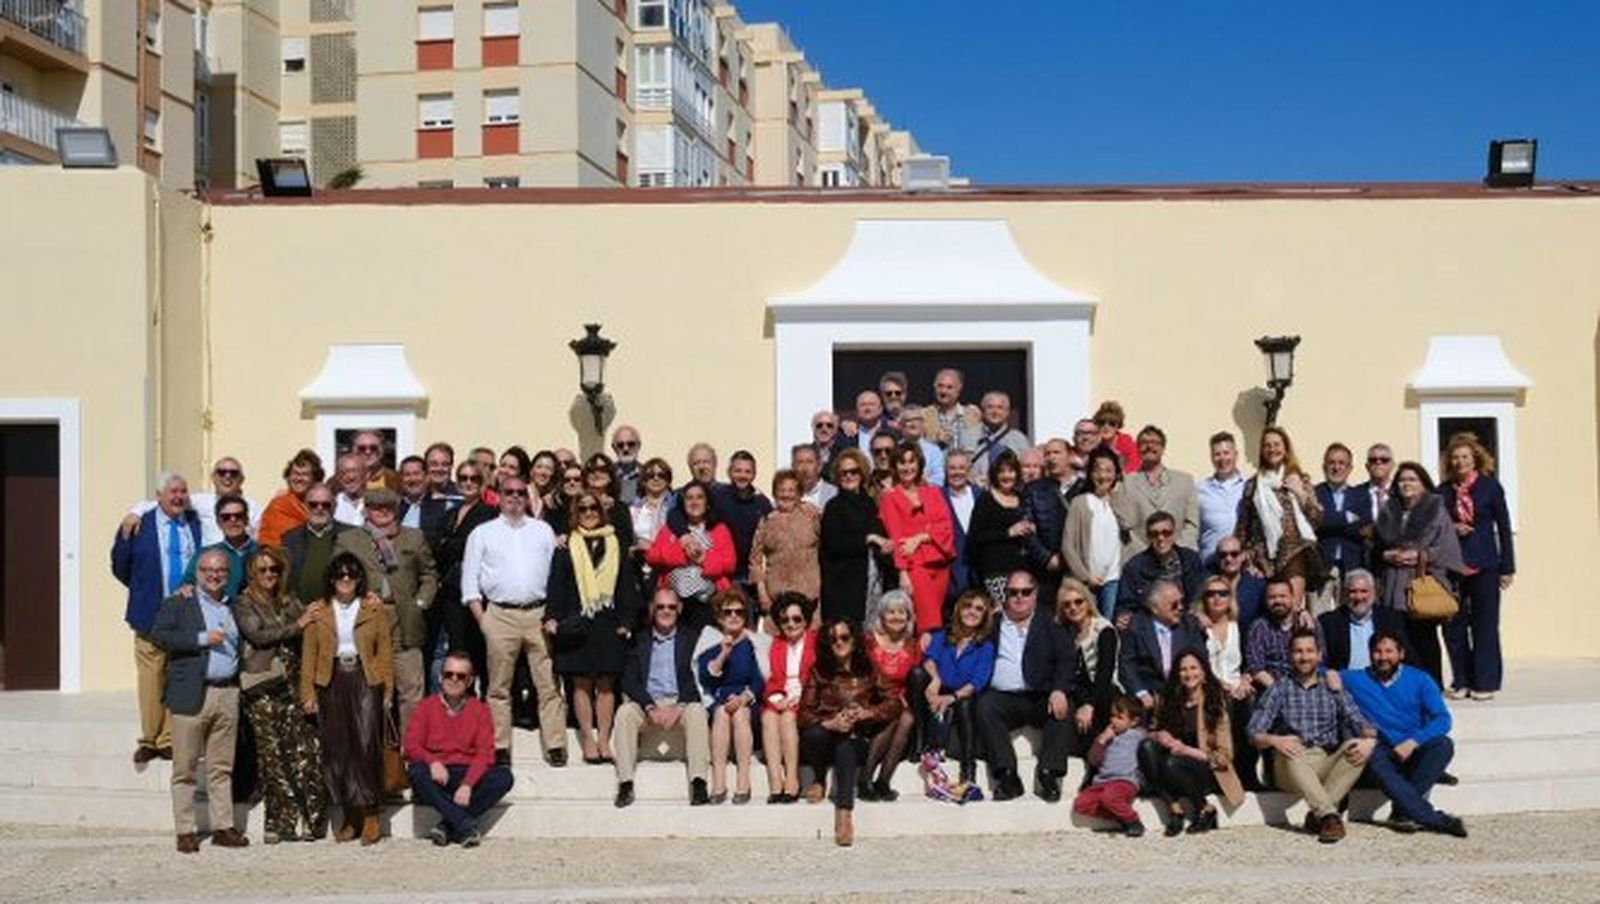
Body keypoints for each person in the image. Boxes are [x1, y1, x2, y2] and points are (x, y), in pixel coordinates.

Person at [462, 475, 567, 766]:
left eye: (521, 492)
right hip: (500, 615)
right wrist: (484, 621)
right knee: (498, 686)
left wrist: (552, 613)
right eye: (509, 492)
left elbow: (555, 575)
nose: (515, 497)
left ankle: (556, 744)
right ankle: (499, 745)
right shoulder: (482, 533)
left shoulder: (542, 530)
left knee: (547, 684)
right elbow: (469, 582)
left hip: (538, 613)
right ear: (498, 495)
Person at [150, 548, 249, 852]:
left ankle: (222, 827)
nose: (214, 575)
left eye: (220, 570)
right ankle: (185, 830)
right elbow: (159, 636)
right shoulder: (180, 602)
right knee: (185, 768)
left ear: (228, 575)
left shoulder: (235, 606)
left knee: (221, 767)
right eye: (207, 569)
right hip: (192, 693)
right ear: (197, 572)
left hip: (227, 692)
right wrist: (201, 638)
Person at [1248, 629, 1376, 844]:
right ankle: (1329, 815)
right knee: (1293, 749)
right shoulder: (1280, 688)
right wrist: (1275, 740)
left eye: (1309, 651)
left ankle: (1320, 815)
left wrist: (1370, 741)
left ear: (1319, 655)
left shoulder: (1331, 685)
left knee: (1357, 746)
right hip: (1290, 764)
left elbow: (1360, 724)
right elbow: (1253, 732)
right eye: (1298, 651)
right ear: (1290, 655)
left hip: (1324, 760)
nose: (1304, 656)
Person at [300, 551, 393, 845]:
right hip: (332, 678)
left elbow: (384, 650)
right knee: (338, 749)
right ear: (331, 578)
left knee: (365, 744)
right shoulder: (318, 611)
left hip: (365, 678)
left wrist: (387, 689)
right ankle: (350, 815)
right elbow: (309, 654)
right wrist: (308, 692)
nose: (345, 580)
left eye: (351, 574)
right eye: (340, 574)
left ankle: (370, 815)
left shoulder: (372, 609)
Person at [233, 547, 326, 843]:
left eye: (273, 569)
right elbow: (257, 635)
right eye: (262, 570)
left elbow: (314, 620)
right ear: (252, 573)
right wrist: (296, 626)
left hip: (292, 683)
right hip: (262, 687)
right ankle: (278, 824)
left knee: (304, 752)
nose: (269, 575)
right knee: (272, 757)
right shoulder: (244, 602)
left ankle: (312, 822)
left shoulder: (289, 600)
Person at [111, 470, 200, 764]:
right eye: (172, 492)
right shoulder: (139, 524)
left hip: (185, 615)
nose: (178, 497)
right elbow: (120, 565)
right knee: (151, 677)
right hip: (151, 612)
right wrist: (142, 588)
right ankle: (150, 740)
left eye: (182, 491)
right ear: (158, 496)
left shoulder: (195, 522)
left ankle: (169, 739)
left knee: (177, 674)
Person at [1341, 631, 1468, 837]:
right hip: (1381, 751)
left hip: (1412, 749)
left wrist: (1413, 742)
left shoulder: (1420, 679)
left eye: (1389, 651)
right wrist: (1327, 674)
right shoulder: (1354, 678)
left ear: (1401, 654)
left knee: (1443, 744)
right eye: (1378, 651)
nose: (1383, 657)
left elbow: (1443, 719)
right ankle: (1432, 818)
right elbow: (1315, 670)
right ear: (1370, 654)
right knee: (1372, 756)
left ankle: (1402, 811)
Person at [547, 490, 642, 765]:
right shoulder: (566, 546)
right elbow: (557, 584)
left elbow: (626, 586)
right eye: (584, 508)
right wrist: (553, 616)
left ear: (602, 512)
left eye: (594, 508)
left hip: (608, 621)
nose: (589, 513)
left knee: (606, 684)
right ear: (576, 513)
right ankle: (587, 738)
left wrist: (627, 621)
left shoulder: (616, 543)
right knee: (580, 682)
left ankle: (604, 740)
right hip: (576, 620)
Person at [337, 488, 438, 732]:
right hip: (367, 618)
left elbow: (429, 574)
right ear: (366, 510)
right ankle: (370, 747)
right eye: (375, 507)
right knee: (369, 688)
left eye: (388, 507)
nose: (382, 511)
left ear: (396, 509)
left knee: (411, 690)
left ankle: (410, 753)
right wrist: (357, 598)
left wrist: (421, 603)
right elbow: (339, 576)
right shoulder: (349, 540)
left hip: (405, 619)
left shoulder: (413, 537)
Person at [976, 570, 1077, 802]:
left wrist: (1059, 688)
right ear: (1005, 596)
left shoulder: (1050, 621)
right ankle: (1007, 775)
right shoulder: (993, 623)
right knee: (985, 705)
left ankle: (1049, 773)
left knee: (1064, 706)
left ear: (1035, 594)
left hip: (1041, 695)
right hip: (1004, 697)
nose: (1019, 597)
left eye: (1025, 592)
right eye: (1013, 592)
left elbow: (1066, 659)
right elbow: (964, 629)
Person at [800, 618, 902, 846]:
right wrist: (830, 722)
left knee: (846, 747)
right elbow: (804, 714)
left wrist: (868, 713)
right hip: (827, 736)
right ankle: (819, 779)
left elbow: (894, 702)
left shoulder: (868, 668)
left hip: (857, 736)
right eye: (833, 639)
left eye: (844, 637)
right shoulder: (819, 671)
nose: (839, 642)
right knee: (812, 734)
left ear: (854, 641)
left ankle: (844, 815)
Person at [404, 650, 515, 847]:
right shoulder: (426, 707)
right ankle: (463, 823)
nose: (454, 679)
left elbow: (486, 754)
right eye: (449, 674)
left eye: (461, 676)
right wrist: (433, 762)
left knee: (504, 777)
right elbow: (412, 745)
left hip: (466, 773)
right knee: (416, 772)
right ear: (440, 677)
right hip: (438, 776)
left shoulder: (480, 710)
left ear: (470, 681)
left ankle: (448, 825)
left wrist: (468, 784)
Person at [613, 588, 712, 808]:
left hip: (680, 703)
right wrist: (649, 706)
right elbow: (629, 680)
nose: (666, 611)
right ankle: (625, 783)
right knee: (624, 712)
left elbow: (698, 677)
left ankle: (698, 782)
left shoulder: (692, 639)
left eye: (671, 607)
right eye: (660, 607)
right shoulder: (639, 640)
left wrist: (680, 705)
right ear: (652, 609)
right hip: (649, 705)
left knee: (696, 710)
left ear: (680, 609)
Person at [1439, 433, 1515, 701]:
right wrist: (1452, 527)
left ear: (1475, 460)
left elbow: (1503, 527)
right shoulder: (1443, 491)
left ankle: (1485, 681)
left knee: (1485, 624)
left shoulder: (1490, 487)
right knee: (1454, 626)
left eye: (1465, 458)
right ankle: (1461, 679)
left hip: (1485, 564)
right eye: (1455, 458)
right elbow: (1436, 526)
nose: (1460, 462)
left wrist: (1508, 566)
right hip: (1454, 566)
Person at [1373, 461, 1464, 687]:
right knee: (1396, 637)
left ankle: (1431, 687)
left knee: (1424, 639)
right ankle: (1400, 687)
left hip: (1420, 582)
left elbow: (1446, 547)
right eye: (1402, 480)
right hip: (1392, 584)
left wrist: (1420, 555)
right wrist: (1386, 555)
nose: (1407, 484)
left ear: (1423, 484)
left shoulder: (1436, 510)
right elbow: (1373, 547)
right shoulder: (1388, 511)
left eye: (1412, 479)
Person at [1139, 649, 1244, 835]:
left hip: (1207, 769)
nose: (1189, 674)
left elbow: (1225, 756)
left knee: (1172, 761)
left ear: (1204, 672)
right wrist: (1159, 735)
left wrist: (1186, 750)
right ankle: (1174, 809)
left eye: (1194, 668)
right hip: (1170, 764)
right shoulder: (1168, 699)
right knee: (1146, 748)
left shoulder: (1215, 703)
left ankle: (1204, 808)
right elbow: (1151, 731)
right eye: (1183, 669)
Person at [1235, 426, 1325, 603]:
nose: (1272, 449)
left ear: (1285, 449)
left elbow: (1317, 518)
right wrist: (1244, 553)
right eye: (1267, 445)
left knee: (1293, 607)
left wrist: (1300, 492)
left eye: (1277, 444)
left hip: (1294, 552)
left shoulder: (1300, 478)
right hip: (1263, 557)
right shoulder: (1253, 485)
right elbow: (1244, 524)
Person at [433, 460, 499, 694]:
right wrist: (453, 546)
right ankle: (463, 701)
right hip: (451, 592)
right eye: (463, 478)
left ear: (482, 483)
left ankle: (484, 709)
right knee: (458, 649)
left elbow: (472, 548)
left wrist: (451, 545)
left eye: (474, 479)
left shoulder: (490, 513)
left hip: (478, 593)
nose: (468, 483)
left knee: (480, 650)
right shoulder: (450, 513)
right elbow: (438, 547)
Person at [879, 441, 957, 635]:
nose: (907, 467)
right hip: (915, 565)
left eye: (911, 462)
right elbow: (896, 536)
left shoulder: (933, 492)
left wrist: (921, 537)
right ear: (895, 466)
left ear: (919, 464)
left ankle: (929, 661)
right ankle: (924, 663)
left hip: (940, 564)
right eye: (902, 463)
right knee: (928, 621)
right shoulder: (890, 497)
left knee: (936, 614)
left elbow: (946, 526)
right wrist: (903, 572)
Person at [920, 590, 996, 788]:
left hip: (965, 696)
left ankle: (968, 768)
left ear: (985, 616)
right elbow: (930, 658)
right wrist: (935, 680)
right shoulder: (943, 635)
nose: (972, 612)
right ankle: (923, 744)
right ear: (959, 609)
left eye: (979, 609)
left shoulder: (985, 647)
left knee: (965, 703)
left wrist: (952, 697)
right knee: (917, 675)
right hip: (940, 689)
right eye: (968, 606)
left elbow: (978, 681)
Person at [696, 589, 762, 804]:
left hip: (746, 701)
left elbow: (760, 679)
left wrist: (744, 698)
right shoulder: (710, 642)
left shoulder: (753, 644)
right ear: (719, 617)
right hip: (720, 700)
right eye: (728, 612)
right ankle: (719, 780)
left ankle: (743, 779)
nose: (734, 616)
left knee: (740, 714)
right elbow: (706, 678)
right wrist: (723, 653)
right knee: (722, 713)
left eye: (739, 612)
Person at [646, 480, 736, 635]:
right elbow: (652, 555)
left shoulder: (719, 529)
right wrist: (684, 555)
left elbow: (729, 563)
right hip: (675, 601)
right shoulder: (671, 528)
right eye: (689, 498)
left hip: (707, 600)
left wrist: (703, 559)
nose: (694, 502)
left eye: (699, 497)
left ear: (707, 503)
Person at [1197, 575, 1261, 790]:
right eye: (1210, 594)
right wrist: (1219, 684)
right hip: (1209, 686)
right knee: (1223, 702)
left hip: (1237, 686)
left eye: (1222, 593)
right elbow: (1197, 663)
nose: (1216, 598)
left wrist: (1245, 679)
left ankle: (1247, 771)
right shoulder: (1198, 628)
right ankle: (1222, 773)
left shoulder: (1240, 627)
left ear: (1230, 598)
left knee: (1250, 701)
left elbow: (1250, 660)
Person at [818, 449, 895, 624]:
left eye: (853, 471)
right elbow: (834, 544)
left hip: (871, 581)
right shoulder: (834, 506)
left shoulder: (870, 503)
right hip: (843, 585)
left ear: (862, 473)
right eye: (843, 473)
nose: (848, 476)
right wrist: (868, 539)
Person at [123, 456, 263, 546]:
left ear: (242, 479)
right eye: (221, 472)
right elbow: (165, 502)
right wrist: (136, 512)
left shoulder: (254, 508)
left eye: (233, 473)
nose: (227, 477)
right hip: (209, 574)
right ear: (213, 478)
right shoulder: (201, 501)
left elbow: (259, 541)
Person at [860, 590, 920, 800]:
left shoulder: (913, 645)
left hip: (901, 701)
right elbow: (862, 676)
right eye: (890, 612)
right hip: (872, 699)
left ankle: (883, 780)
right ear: (881, 615)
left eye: (901, 612)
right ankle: (864, 778)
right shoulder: (868, 641)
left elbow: (916, 678)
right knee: (894, 712)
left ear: (908, 616)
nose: (896, 617)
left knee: (907, 717)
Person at [1118, 580, 1207, 710]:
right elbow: (1127, 664)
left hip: (1184, 690)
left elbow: (1201, 658)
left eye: (1181, 602)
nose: (1180, 607)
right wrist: (1141, 692)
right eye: (1174, 605)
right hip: (1150, 695)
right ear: (1155, 608)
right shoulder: (1136, 627)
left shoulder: (1189, 624)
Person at [761, 592, 816, 803]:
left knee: (787, 718)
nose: (791, 624)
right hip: (781, 696)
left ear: (805, 620)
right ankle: (775, 781)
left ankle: (792, 779)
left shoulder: (815, 641)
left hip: (807, 696)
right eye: (785, 620)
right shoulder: (775, 644)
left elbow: (818, 676)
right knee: (768, 717)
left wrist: (799, 697)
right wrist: (776, 699)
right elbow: (772, 680)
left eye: (796, 619)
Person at [749, 469, 822, 629]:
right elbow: (755, 560)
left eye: (791, 490)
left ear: (799, 494)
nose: (786, 495)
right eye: (782, 490)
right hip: (777, 601)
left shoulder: (812, 516)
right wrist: (762, 593)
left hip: (810, 599)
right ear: (775, 493)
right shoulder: (767, 521)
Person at [1113, 425, 1199, 557]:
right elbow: (1124, 526)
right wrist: (1144, 556)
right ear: (1138, 448)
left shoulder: (1185, 481)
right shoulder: (1126, 483)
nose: (1149, 446)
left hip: (1178, 559)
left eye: (1155, 442)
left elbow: (1192, 523)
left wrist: (1177, 550)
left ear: (1163, 448)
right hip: (1139, 560)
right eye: (1144, 443)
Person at [1057, 578, 1118, 758]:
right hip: (1078, 692)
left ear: (1088, 602)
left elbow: (1104, 673)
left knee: (1103, 702)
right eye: (1067, 605)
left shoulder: (1103, 629)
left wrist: (1089, 705)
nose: (1073, 608)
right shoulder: (1065, 632)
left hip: (1103, 690)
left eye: (1078, 602)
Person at [1063, 447, 1125, 618]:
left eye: (1109, 470)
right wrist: (1085, 576)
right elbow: (1068, 545)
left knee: (1108, 628)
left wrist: (1115, 497)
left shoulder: (1119, 501)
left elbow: (1129, 526)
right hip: (1086, 580)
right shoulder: (1080, 503)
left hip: (1112, 579)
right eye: (1098, 469)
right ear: (1090, 473)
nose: (1103, 475)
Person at [1073, 694, 1148, 836]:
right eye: (1112, 716)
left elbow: (1152, 739)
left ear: (1134, 721)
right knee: (1081, 804)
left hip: (1125, 781)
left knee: (1110, 798)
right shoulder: (1106, 736)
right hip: (1102, 781)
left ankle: (1133, 821)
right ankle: (1120, 816)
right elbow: (1093, 760)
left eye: (1120, 717)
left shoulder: (1137, 734)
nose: (1114, 721)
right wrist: (1102, 740)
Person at [966, 450, 1033, 605]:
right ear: (995, 474)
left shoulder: (1022, 498)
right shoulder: (986, 500)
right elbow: (976, 537)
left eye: (1011, 471)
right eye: (1001, 471)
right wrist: (1008, 533)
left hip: (1022, 570)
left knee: (1022, 614)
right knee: (1005, 614)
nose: (1006, 476)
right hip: (996, 571)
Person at [1021, 437, 1081, 603]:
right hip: (1045, 571)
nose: (1051, 457)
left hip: (1079, 568)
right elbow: (1026, 530)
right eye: (1047, 453)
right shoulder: (1033, 490)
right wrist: (1046, 558)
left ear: (1069, 455)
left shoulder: (1084, 487)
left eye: (1057, 452)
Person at [1115, 512, 1205, 619]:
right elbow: (1126, 603)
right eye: (1154, 534)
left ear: (1174, 534)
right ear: (1148, 536)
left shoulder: (1190, 560)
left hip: (1186, 622)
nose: (1161, 538)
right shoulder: (1134, 567)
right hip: (1150, 624)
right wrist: (1124, 615)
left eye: (1166, 533)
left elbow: (1199, 594)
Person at [1319, 568, 1408, 671]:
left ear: (1374, 593)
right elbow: (1321, 661)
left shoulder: (1391, 619)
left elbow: (1406, 656)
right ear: (1345, 594)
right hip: (1344, 683)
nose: (1359, 597)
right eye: (1353, 591)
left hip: (1382, 681)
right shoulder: (1329, 622)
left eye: (1364, 591)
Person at [1245, 577, 1325, 690]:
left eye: (1283, 596)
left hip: (1306, 685)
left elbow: (1320, 660)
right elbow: (1256, 668)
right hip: (1271, 688)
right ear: (1265, 601)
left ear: (1292, 598)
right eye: (1272, 597)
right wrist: (1280, 691)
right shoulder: (1259, 628)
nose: (1278, 601)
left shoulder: (1308, 624)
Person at [283, 484, 354, 606]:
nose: (319, 508)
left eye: (325, 505)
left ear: (334, 507)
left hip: (339, 610)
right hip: (301, 612)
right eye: (313, 504)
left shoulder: (351, 535)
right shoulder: (290, 538)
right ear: (305, 506)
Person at [1314, 443, 1373, 585]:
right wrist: (1347, 518)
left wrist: (1328, 521)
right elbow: (1315, 523)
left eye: (1342, 463)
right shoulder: (1314, 493)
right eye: (1331, 463)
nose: (1336, 467)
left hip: (1352, 566)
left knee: (1350, 608)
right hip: (1321, 567)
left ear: (1350, 468)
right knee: (1319, 608)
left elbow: (1363, 528)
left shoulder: (1361, 495)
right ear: (1324, 466)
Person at [181, 494, 258, 602]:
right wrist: (187, 588)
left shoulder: (263, 553)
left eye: (238, 516)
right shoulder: (206, 555)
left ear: (246, 519)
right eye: (226, 517)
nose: (233, 520)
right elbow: (187, 585)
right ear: (218, 522)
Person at [1196, 431, 1246, 568]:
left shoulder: (1250, 487)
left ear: (1236, 454)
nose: (1222, 458)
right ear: (1211, 458)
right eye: (1217, 454)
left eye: (1226, 453)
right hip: (1210, 566)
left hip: (1243, 565)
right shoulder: (1200, 490)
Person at [259, 449, 325, 548]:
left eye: (304, 474)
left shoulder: (324, 505)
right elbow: (267, 543)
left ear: (315, 478)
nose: (299, 479)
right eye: (295, 473)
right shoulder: (278, 506)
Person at [969, 391, 1031, 487]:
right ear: (983, 410)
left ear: (1007, 412)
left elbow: (1026, 471)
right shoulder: (967, 436)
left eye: (1000, 408)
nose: (995, 412)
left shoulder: (1020, 440)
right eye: (990, 407)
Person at [942, 450, 977, 603]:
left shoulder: (981, 495)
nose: (957, 472)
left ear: (968, 471)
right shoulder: (938, 497)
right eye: (952, 468)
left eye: (961, 468)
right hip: (951, 577)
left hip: (978, 575)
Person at [1213, 535, 1266, 630]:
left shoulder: (1258, 586)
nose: (1228, 559)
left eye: (1234, 554)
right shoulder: (1208, 585)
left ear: (1243, 556)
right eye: (1223, 555)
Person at [929, 367, 982, 453]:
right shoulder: (924, 415)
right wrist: (934, 441)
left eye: (949, 387)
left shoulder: (972, 415)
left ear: (959, 390)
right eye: (940, 386)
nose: (943, 391)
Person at [899, 404, 946, 486]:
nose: (913, 423)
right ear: (901, 425)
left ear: (923, 423)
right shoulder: (895, 448)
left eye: (917, 419)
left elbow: (938, 480)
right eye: (908, 420)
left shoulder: (934, 451)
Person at [1092, 400, 1142, 477]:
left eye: (1112, 424)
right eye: (1102, 423)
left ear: (1118, 426)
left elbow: (1135, 464)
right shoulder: (1095, 444)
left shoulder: (1126, 442)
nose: (1106, 427)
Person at [792, 443, 836, 511]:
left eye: (810, 462)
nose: (805, 468)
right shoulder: (787, 495)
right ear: (793, 467)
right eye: (800, 462)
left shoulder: (833, 494)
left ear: (819, 466)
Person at [331, 453, 368, 527]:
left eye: (355, 471)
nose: (351, 477)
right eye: (344, 472)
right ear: (339, 478)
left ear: (365, 475)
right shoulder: (333, 504)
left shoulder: (375, 503)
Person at [610, 425, 643, 503]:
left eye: (631, 444)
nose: (626, 449)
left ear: (638, 446)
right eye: (620, 445)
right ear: (614, 448)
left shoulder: (650, 474)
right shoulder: (607, 474)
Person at [397, 455, 429, 530]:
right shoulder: (394, 508)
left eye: (416, 474)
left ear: (426, 477)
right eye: (407, 475)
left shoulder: (439, 507)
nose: (412, 479)